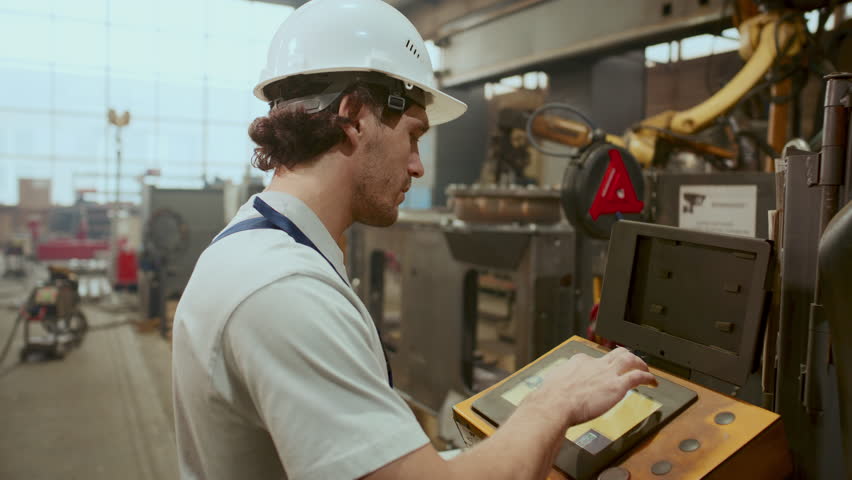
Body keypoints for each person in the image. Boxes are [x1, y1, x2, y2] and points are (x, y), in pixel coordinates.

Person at [171, 1, 657, 479]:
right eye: (413, 136)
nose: (418, 165)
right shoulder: (283, 291)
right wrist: (556, 401)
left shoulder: (255, 246)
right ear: (355, 116)